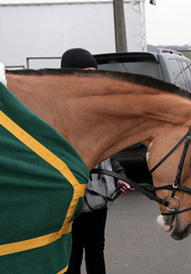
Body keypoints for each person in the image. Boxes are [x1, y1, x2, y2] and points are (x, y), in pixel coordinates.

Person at [60, 48, 133, 274]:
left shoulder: (97, 103)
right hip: (72, 194)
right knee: (72, 252)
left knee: (96, 248)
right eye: (84, 72)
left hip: (100, 192)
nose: (90, 78)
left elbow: (106, 148)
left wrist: (118, 175)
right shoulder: (59, 107)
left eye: (92, 72)